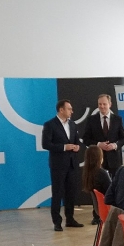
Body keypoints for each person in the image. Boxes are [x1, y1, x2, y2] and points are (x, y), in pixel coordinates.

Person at [41, 99, 83, 231]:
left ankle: (70, 219)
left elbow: (76, 141)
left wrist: (77, 147)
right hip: (58, 165)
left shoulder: (73, 124)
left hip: (72, 164)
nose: (72, 111)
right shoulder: (50, 125)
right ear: (61, 110)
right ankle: (57, 222)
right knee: (57, 193)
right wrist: (64, 147)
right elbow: (46, 144)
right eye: (69, 109)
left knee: (71, 193)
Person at [81, 94, 124, 173]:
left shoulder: (118, 120)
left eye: (104, 104)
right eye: (100, 104)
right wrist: (98, 144)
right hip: (97, 161)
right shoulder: (91, 120)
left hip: (114, 161)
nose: (102, 106)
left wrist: (115, 145)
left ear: (110, 104)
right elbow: (85, 139)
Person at [82, 145, 112, 224]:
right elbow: (111, 191)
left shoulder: (88, 173)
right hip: (107, 207)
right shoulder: (102, 173)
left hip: (99, 208)